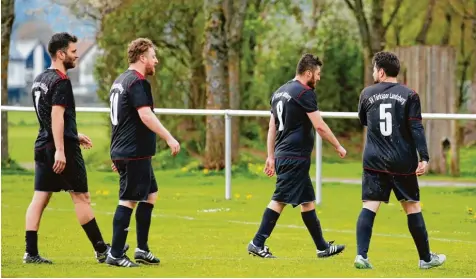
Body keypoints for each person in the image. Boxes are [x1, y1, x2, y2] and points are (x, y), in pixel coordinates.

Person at [25, 32, 121, 264]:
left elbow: (47, 117)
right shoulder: (61, 81)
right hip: (60, 148)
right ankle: (101, 250)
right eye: (74, 52)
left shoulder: (40, 79)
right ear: (61, 54)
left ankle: (31, 253)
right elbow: (57, 115)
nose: (77, 56)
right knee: (81, 197)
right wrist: (62, 148)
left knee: (40, 198)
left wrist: (73, 134)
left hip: (42, 144)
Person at [247, 53, 347, 259]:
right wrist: (338, 145)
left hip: (285, 155)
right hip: (294, 157)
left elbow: (271, 128)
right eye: (317, 74)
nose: (318, 78)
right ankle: (257, 243)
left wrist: (271, 156)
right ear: (308, 72)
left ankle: (322, 247)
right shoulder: (304, 93)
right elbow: (319, 125)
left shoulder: (279, 92)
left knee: (307, 201)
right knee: (279, 200)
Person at [354, 51, 446, 269]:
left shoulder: (366, 93)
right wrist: (423, 157)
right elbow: (416, 127)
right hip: (401, 159)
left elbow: (363, 120)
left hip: (373, 159)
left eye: (374, 69)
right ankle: (425, 259)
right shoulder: (410, 94)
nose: (373, 72)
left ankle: (361, 256)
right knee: (412, 207)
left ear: (381, 71)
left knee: (370, 205)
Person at [105, 38, 181, 267]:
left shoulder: (120, 81)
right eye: (153, 56)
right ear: (142, 58)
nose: (156, 60)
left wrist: (115, 153)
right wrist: (169, 137)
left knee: (151, 194)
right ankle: (116, 254)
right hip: (133, 152)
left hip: (128, 151)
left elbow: (119, 120)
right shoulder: (137, 82)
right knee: (128, 200)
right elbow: (145, 115)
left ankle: (141, 249)